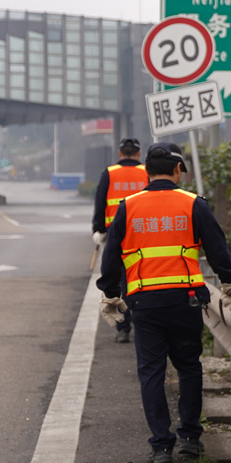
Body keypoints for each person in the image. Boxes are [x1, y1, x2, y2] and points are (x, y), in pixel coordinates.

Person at [97, 142, 231, 463]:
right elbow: (218, 247)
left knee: (151, 372)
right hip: (186, 301)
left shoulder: (128, 206)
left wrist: (109, 293)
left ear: (147, 171)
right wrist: (229, 281)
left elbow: (112, 254)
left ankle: (162, 446)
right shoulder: (193, 203)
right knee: (189, 367)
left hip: (144, 303)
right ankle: (190, 438)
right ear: (178, 170)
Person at [91, 137, 146, 342]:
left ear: (120, 153)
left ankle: (123, 328)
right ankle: (142, 323)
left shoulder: (110, 173)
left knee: (120, 279)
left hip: (117, 237)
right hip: (144, 235)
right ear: (139, 154)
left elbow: (100, 201)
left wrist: (98, 228)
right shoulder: (147, 172)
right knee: (140, 278)